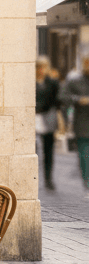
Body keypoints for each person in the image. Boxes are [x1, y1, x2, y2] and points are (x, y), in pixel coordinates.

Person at [59, 55, 89, 193]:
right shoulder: (75, 81)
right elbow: (64, 96)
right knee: (84, 153)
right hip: (82, 123)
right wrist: (78, 100)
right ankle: (87, 180)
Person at [35, 57, 60, 191]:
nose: (41, 70)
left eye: (44, 67)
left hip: (47, 118)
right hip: (32, 117)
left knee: (48, 150)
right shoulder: (30, 82)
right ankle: (32, 178)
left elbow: (57, 101)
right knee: (33, 149)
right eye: (39, 66)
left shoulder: (53, 83)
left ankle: (48, 179)